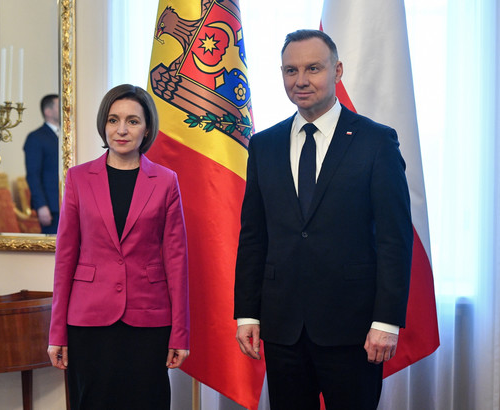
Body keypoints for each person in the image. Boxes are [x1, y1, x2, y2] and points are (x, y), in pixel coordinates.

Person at [234, 29, 413, 409]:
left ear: (338, 70)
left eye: (313, 68)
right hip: (283, 329)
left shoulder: (376, 142)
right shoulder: (264, 145)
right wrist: (246, 312)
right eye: (290, 70)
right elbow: (253, 236)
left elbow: (394, 240)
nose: (300, 80)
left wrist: (386, 321)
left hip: (354, 330)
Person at [47, 84, 190, 410]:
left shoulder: (166, 181)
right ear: (104, 125)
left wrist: (180, 333)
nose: (121, 130)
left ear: (147, 128)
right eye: (113, 120)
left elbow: (177, 260)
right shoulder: (79, 178)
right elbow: (65, 258)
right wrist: (57, 333)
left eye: (132, 121)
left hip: (148, 320)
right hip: (89, 321)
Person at [23, 94, 60, 234]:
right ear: (48, 112)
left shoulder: (67, 134)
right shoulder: (35, 138)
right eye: (59, 106)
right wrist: (41, 206)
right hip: (51, 206)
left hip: (68, 203)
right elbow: (33, 175)